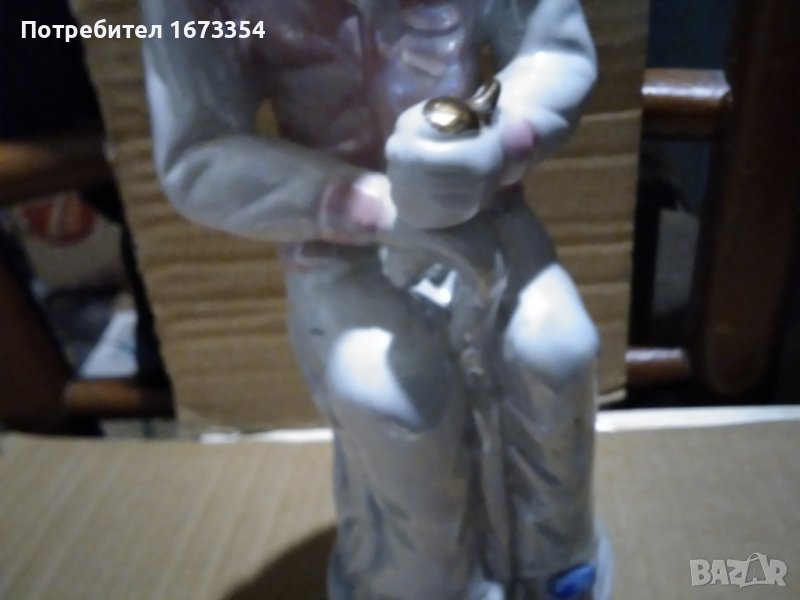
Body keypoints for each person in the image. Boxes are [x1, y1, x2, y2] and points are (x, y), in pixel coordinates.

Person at [141, 1, 610, 597]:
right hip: (335, 242)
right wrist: (375, 207)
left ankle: (553, 562)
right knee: (396, 402)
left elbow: (554, 53)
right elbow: (197, 150)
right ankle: (422, 582)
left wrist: (499, 138)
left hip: (482, 209)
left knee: (556, 350)